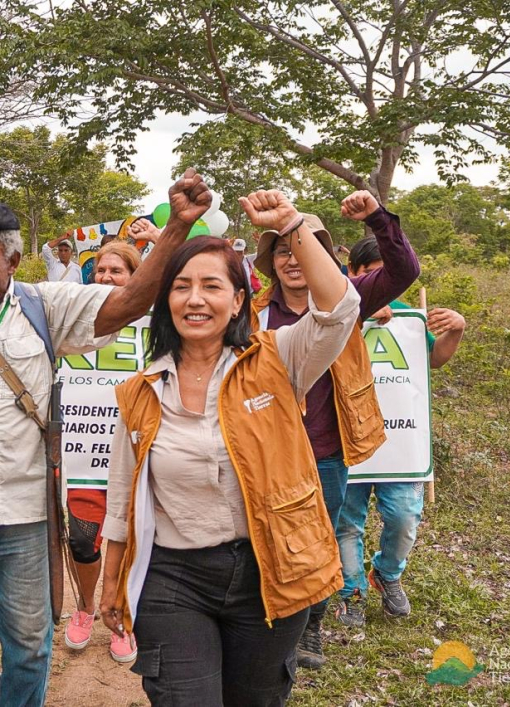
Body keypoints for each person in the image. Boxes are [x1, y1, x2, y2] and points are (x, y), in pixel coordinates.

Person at [0, 170, 214, 707]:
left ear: (9, 259)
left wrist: (174, 232)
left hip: (25, 513)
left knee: (29, 644)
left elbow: (128, 304)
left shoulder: (45, 306)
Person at [99, 188, 361, 706]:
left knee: (256, 699)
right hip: (174, 579)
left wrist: (290, 226)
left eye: (212, 286)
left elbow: (340, 308)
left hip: (271, 570)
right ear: (164, 300)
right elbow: (122, 497)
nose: (195, 299)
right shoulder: (140, 391)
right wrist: (111, 579)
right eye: (181, 287)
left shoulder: (280, 358)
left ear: (238, 300)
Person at [249, 192, 420, 669]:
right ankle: (262, 623)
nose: (291, 259)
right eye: (281, 251)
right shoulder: (251, 311)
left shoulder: (351, 300)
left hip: (325, 449)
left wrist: (376, 218)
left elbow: (404, 272)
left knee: (320, 540)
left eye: (301, 248)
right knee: (259, 536)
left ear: (321, 254)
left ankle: (310, 629)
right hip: (266, 449)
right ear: (271, 263)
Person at [334, 236, 466, 627]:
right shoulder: (332, 309)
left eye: (390, 277)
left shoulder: (409, 317)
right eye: (373, 274)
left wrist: (455, 330)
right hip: (348, 440)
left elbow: (434, 358)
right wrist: (358, 316)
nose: (382, 285)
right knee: (346, 521)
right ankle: (351, 590)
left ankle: (387, 574)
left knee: (405, 516)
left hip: (400, 444)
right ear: (352, 273)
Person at [63, 240, 143, 663]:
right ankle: (85, 606)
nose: (107, 278)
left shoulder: (156, 325)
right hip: (84, 458)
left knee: (129, 540)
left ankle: (123, 617)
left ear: (136, 278)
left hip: (135, 457)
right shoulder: (72, 324)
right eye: (101, 271)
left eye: (117, 271)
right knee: (82, 541)